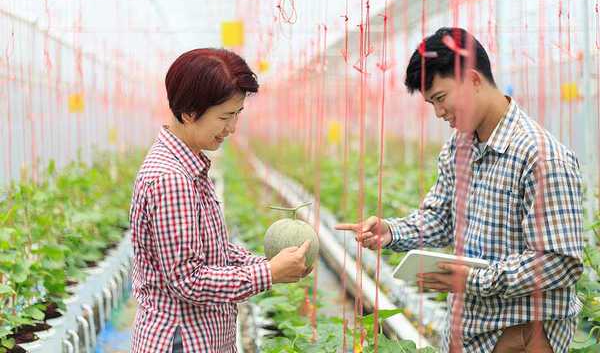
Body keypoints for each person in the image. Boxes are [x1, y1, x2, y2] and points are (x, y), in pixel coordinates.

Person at [336, 28, 583, 353]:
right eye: (431, 103)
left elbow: (560, 261)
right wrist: (390, 232)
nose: (438, 112)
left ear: (474, 80)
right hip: (468, 331)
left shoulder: (540, 157)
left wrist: (474, 280)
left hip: (519, 337)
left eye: (440, 98)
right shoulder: (460, 146)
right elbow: (440, 218)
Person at [129, 48, 313, 353]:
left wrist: (268, 264)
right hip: (182, 341)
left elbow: (211, 248)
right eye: (225, 116)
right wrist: (267, 273)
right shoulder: (172, 179)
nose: (232, 128)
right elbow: (188, 279)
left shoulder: (189, 166)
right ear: (189, 113)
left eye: (237, 114)